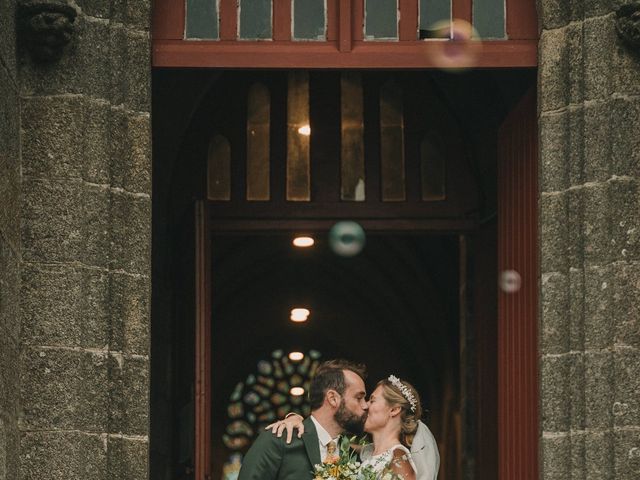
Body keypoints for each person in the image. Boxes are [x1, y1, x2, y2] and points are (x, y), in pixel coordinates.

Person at [269, 375, 440, 480]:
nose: (365, 406)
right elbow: (323, 437)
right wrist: (295, 419)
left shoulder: (399, 460)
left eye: (372, 400)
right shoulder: (359, 453)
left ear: (394, 410)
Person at [237, 359, 368, 480]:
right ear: (333, 398)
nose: (365, 405)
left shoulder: (354, 458)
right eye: (358, 398)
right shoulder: (280, 440)